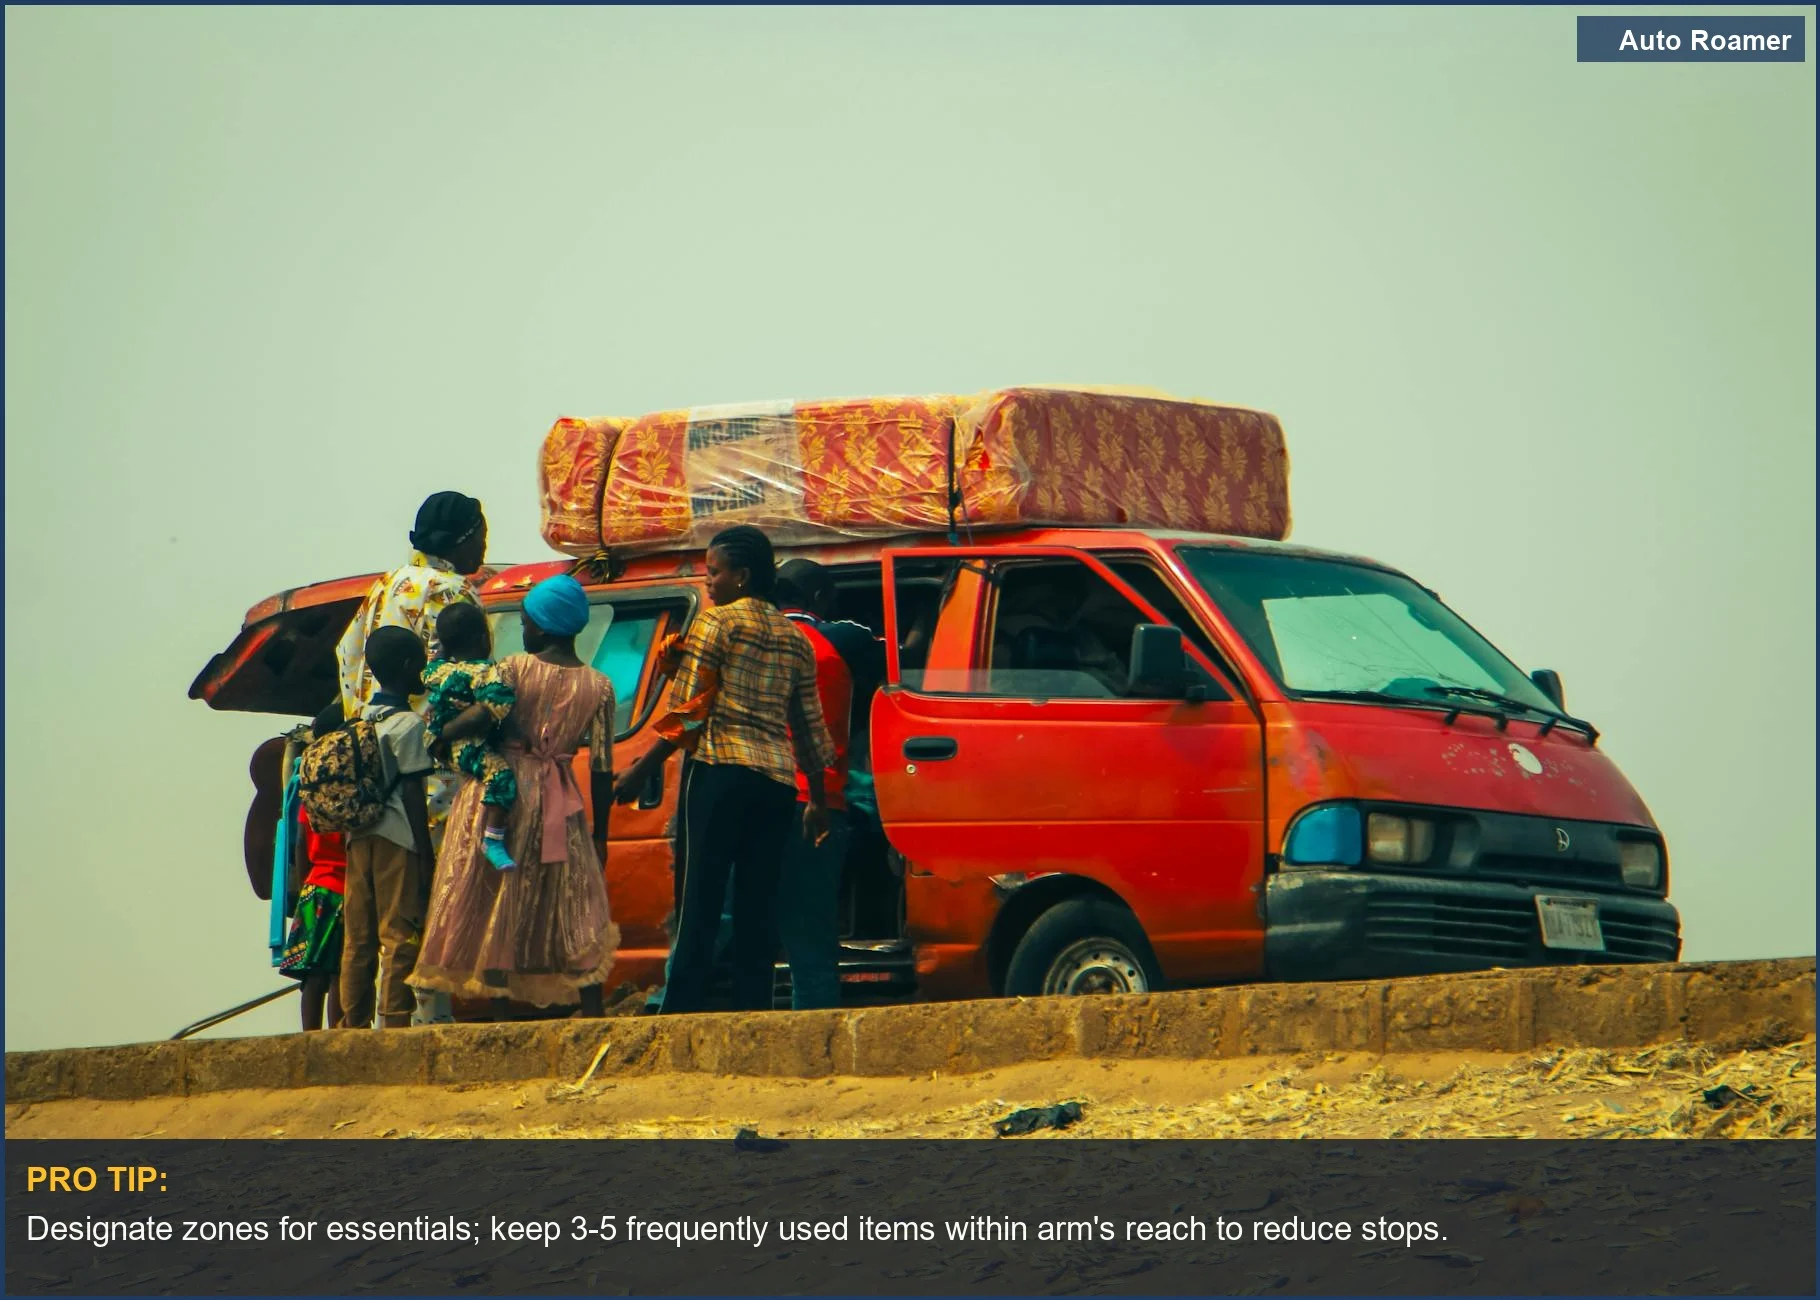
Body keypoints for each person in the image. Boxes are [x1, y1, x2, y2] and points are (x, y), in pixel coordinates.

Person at [614, 525, 837, 1015]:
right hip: (777, 784)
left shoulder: (716, 625)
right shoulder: (795, 639)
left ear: (742, 575)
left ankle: (680, 1018)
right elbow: (809, 727)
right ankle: (750, 1018)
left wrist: (640, 768)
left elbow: (690, 712)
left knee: (700, 905)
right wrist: (817, 801)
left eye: (714, 571)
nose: (708, 580)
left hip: (718, 772)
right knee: (759, 909)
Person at [407, 575, 620, 1012]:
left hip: (501, 794)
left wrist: (443, 732)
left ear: (540, 628)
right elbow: (602, 767)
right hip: (563, 803)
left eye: (524, 622)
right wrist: (600, 834)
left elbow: (485, 719)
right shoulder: (600, 687)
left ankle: (503, 1015)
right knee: (573, 901)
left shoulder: (512, 669)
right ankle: (593, 1008)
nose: (522, 630)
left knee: (494, 898)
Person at [334, 489, 489, 1023]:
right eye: (482, 536)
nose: (486, 548)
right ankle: (426, 1011)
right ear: (464, 539)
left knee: (372, 917)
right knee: (434, 891)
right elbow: (470, 675)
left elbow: (348, 654)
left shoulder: (384, 586)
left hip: (375, 768)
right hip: (434, 771)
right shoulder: (455, 592)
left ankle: (367, 1021)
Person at [772, 558, 884, 1011]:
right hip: (819, 800)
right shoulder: (843, 637)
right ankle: (813, 1042)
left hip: (755, 799)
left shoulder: (746, 638)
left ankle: (670, 1007)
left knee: (729, 925)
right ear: (818, 600)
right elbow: (901, 658)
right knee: (812, 936)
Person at [338, 627, 436, 1030]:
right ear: (409, 666)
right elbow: (413, 790)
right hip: (397, 837)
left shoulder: (357, 720)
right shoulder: (409, 725)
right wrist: (425, 852)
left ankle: (352, 1022)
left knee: (358, 936)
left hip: (357, 837)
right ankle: (395, 1020)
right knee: (398, 932)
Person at [423, 602, 519, 872]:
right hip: (467, 746)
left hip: (435, 744)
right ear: (483, 638)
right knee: (501, 778)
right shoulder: (485, 673)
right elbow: (496, 707)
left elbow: (429, 667)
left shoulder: (438, 671)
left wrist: (443, 651)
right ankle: (493, 838)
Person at [277, 703, 353, 1031]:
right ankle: (337, 1034)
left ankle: (309, 1037)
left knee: (311, 973)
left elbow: (299, 844)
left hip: (314, 885)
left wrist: (307, 880)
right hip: (344, 889)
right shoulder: (352, 792)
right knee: (339, 970)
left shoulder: (311, 793)